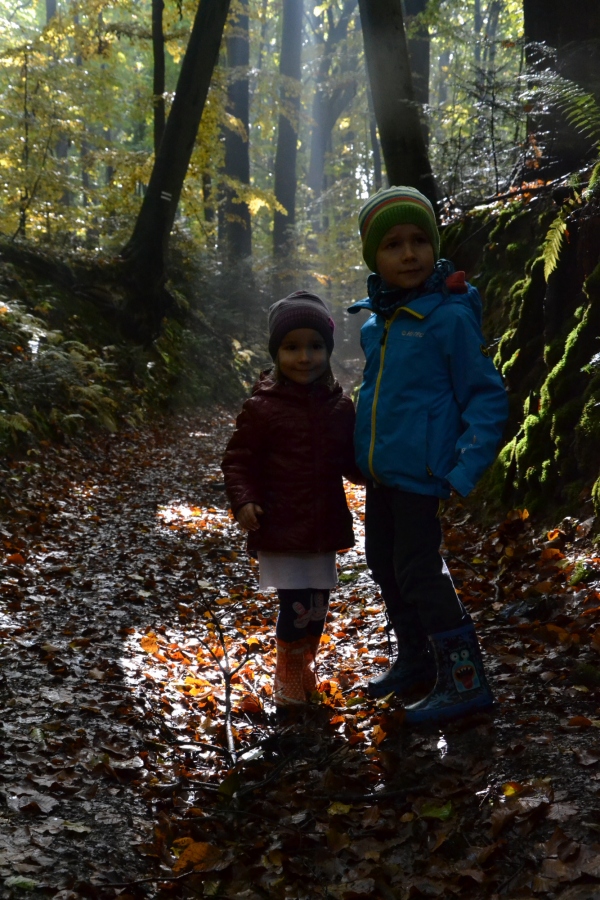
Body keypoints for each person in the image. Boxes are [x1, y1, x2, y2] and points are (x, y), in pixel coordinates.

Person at [349, 185, 508, 724]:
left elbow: (485, 396)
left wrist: (465, 468)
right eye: (393, 244)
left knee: (419, 570)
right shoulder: (378, 324)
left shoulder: (448, 317)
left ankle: (465, 680)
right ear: (375, 257)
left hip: (422, 474)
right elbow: (377, 399)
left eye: (420, 240)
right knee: (382, 564)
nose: (409, 253)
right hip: (383, 476)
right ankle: (417, 660)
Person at [222, 291, 361, 709]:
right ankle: (287, 674)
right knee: (295, 603)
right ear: (277, 352)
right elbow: (238, 459)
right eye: (292, 347)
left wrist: (377, 469)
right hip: (280, 524)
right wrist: (244, 500)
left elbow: (351, 462)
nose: (305, 357)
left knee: (318, 604)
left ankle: (304, 666)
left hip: (322, 524)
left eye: (315, 346)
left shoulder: (339, 407)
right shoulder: (262, 408)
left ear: (328, 351)